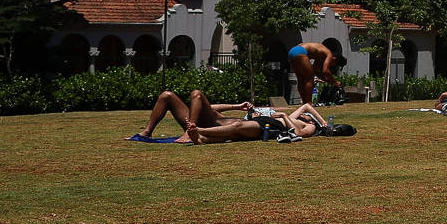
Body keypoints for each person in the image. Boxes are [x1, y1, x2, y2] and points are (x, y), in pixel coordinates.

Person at [138, 90, 339, 143]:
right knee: (193, 95)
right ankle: (146, 132)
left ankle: (197, 132)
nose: (306, 117)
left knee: (235, 128)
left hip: (259, 126)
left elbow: (296, 133)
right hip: (238, 120)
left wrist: (284, 116)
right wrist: (237, 106)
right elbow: (305, 105)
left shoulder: (309, 128)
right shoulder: (301, 115)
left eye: (309, 118)